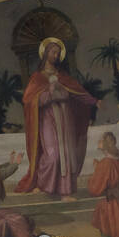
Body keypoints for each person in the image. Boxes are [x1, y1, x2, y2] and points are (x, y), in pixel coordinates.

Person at [16, 38, 98, 200]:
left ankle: (65, 192)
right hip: (47, 119)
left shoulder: (63, 77)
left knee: (66, 154)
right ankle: (43, 184)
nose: (56, 55)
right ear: (46, 53)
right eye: (53, 52)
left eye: (58, 53)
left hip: (65, 118)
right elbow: (29, 100)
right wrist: (49, 94)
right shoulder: (37, 78)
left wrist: (95, 101)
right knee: (53, 155)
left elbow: (78, 94)